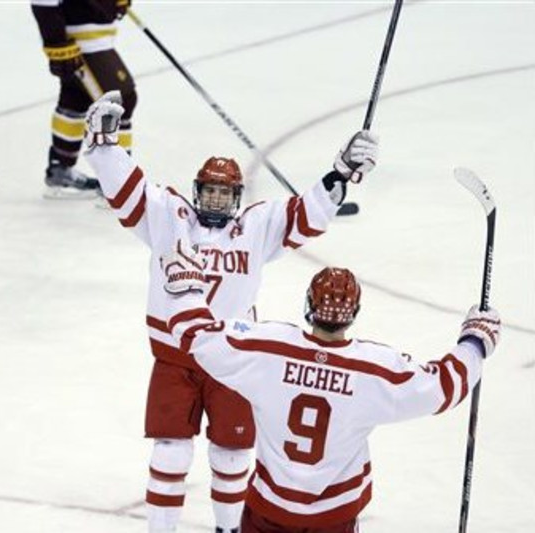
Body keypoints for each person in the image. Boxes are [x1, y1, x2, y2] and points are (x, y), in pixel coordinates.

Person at [84, 91, 379, 532]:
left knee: (232, 454)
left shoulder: (256, 227)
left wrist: (341, 172)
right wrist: (105, 145)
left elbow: (306, 215)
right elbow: (125, 187)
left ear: (237, 196)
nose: (217, 200)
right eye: (211, 191)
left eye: (225, 193)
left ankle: (229, 529)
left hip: (235, 361)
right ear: (197, 192)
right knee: (170, 451)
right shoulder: (168, 215)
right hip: (175, 358)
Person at [158, 250, 501, 532]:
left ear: (309, 304)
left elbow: (194, 336)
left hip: (269, 513)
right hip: (333, 518)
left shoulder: (266, 348)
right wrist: (475, 342)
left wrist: (185, 290)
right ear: (353, 313)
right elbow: (445, 387)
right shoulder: (373, 368)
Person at [31, 0, 137, 198]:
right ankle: (120, 185)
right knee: (120, 101)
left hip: (97, 37)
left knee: (75, 101)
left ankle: (60, 171)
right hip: (82, 43)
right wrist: (56, 43)